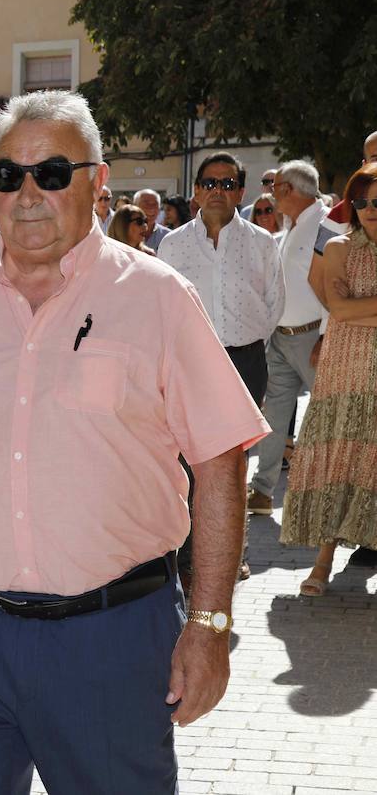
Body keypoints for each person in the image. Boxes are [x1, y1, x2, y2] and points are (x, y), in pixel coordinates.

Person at [0, 90, 267, 794]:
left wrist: (209, 622)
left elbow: (220, 459)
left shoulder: (157, 296)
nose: (28, 194)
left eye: (53, 173)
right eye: (8, 176)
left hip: (113, 639)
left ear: (98, 181)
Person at [158, 151, 284, 581]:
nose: (217, 191)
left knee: (233, 465)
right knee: (186, 462)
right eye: (210, 183)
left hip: (244, 361)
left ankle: (231, 556)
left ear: (241, 192)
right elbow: (160, 310)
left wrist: (244, 345)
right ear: (196, 191)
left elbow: (273, 305)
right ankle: (187, 556)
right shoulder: (172, 245)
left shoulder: (262, 243)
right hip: (189, 362)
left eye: (227, 184)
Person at [281, 162, 377, 594]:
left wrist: (361, 309)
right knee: (339, 454)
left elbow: (352, 309)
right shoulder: (337, 246)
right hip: (345, 366)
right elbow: (339, 309)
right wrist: (354, 311)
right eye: (360, 201)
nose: (369, 208)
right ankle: (322, 562)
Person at [247, 161, 328, 517]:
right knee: (274, 416)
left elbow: (334, 282)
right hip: (282, 337)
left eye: (274, 186)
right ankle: (262, 491)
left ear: (287, 190)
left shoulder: (327, 224)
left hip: (314, 338)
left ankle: (328, 495)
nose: (269, 193)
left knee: (327, 419)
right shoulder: (291, 225)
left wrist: (327, 335)